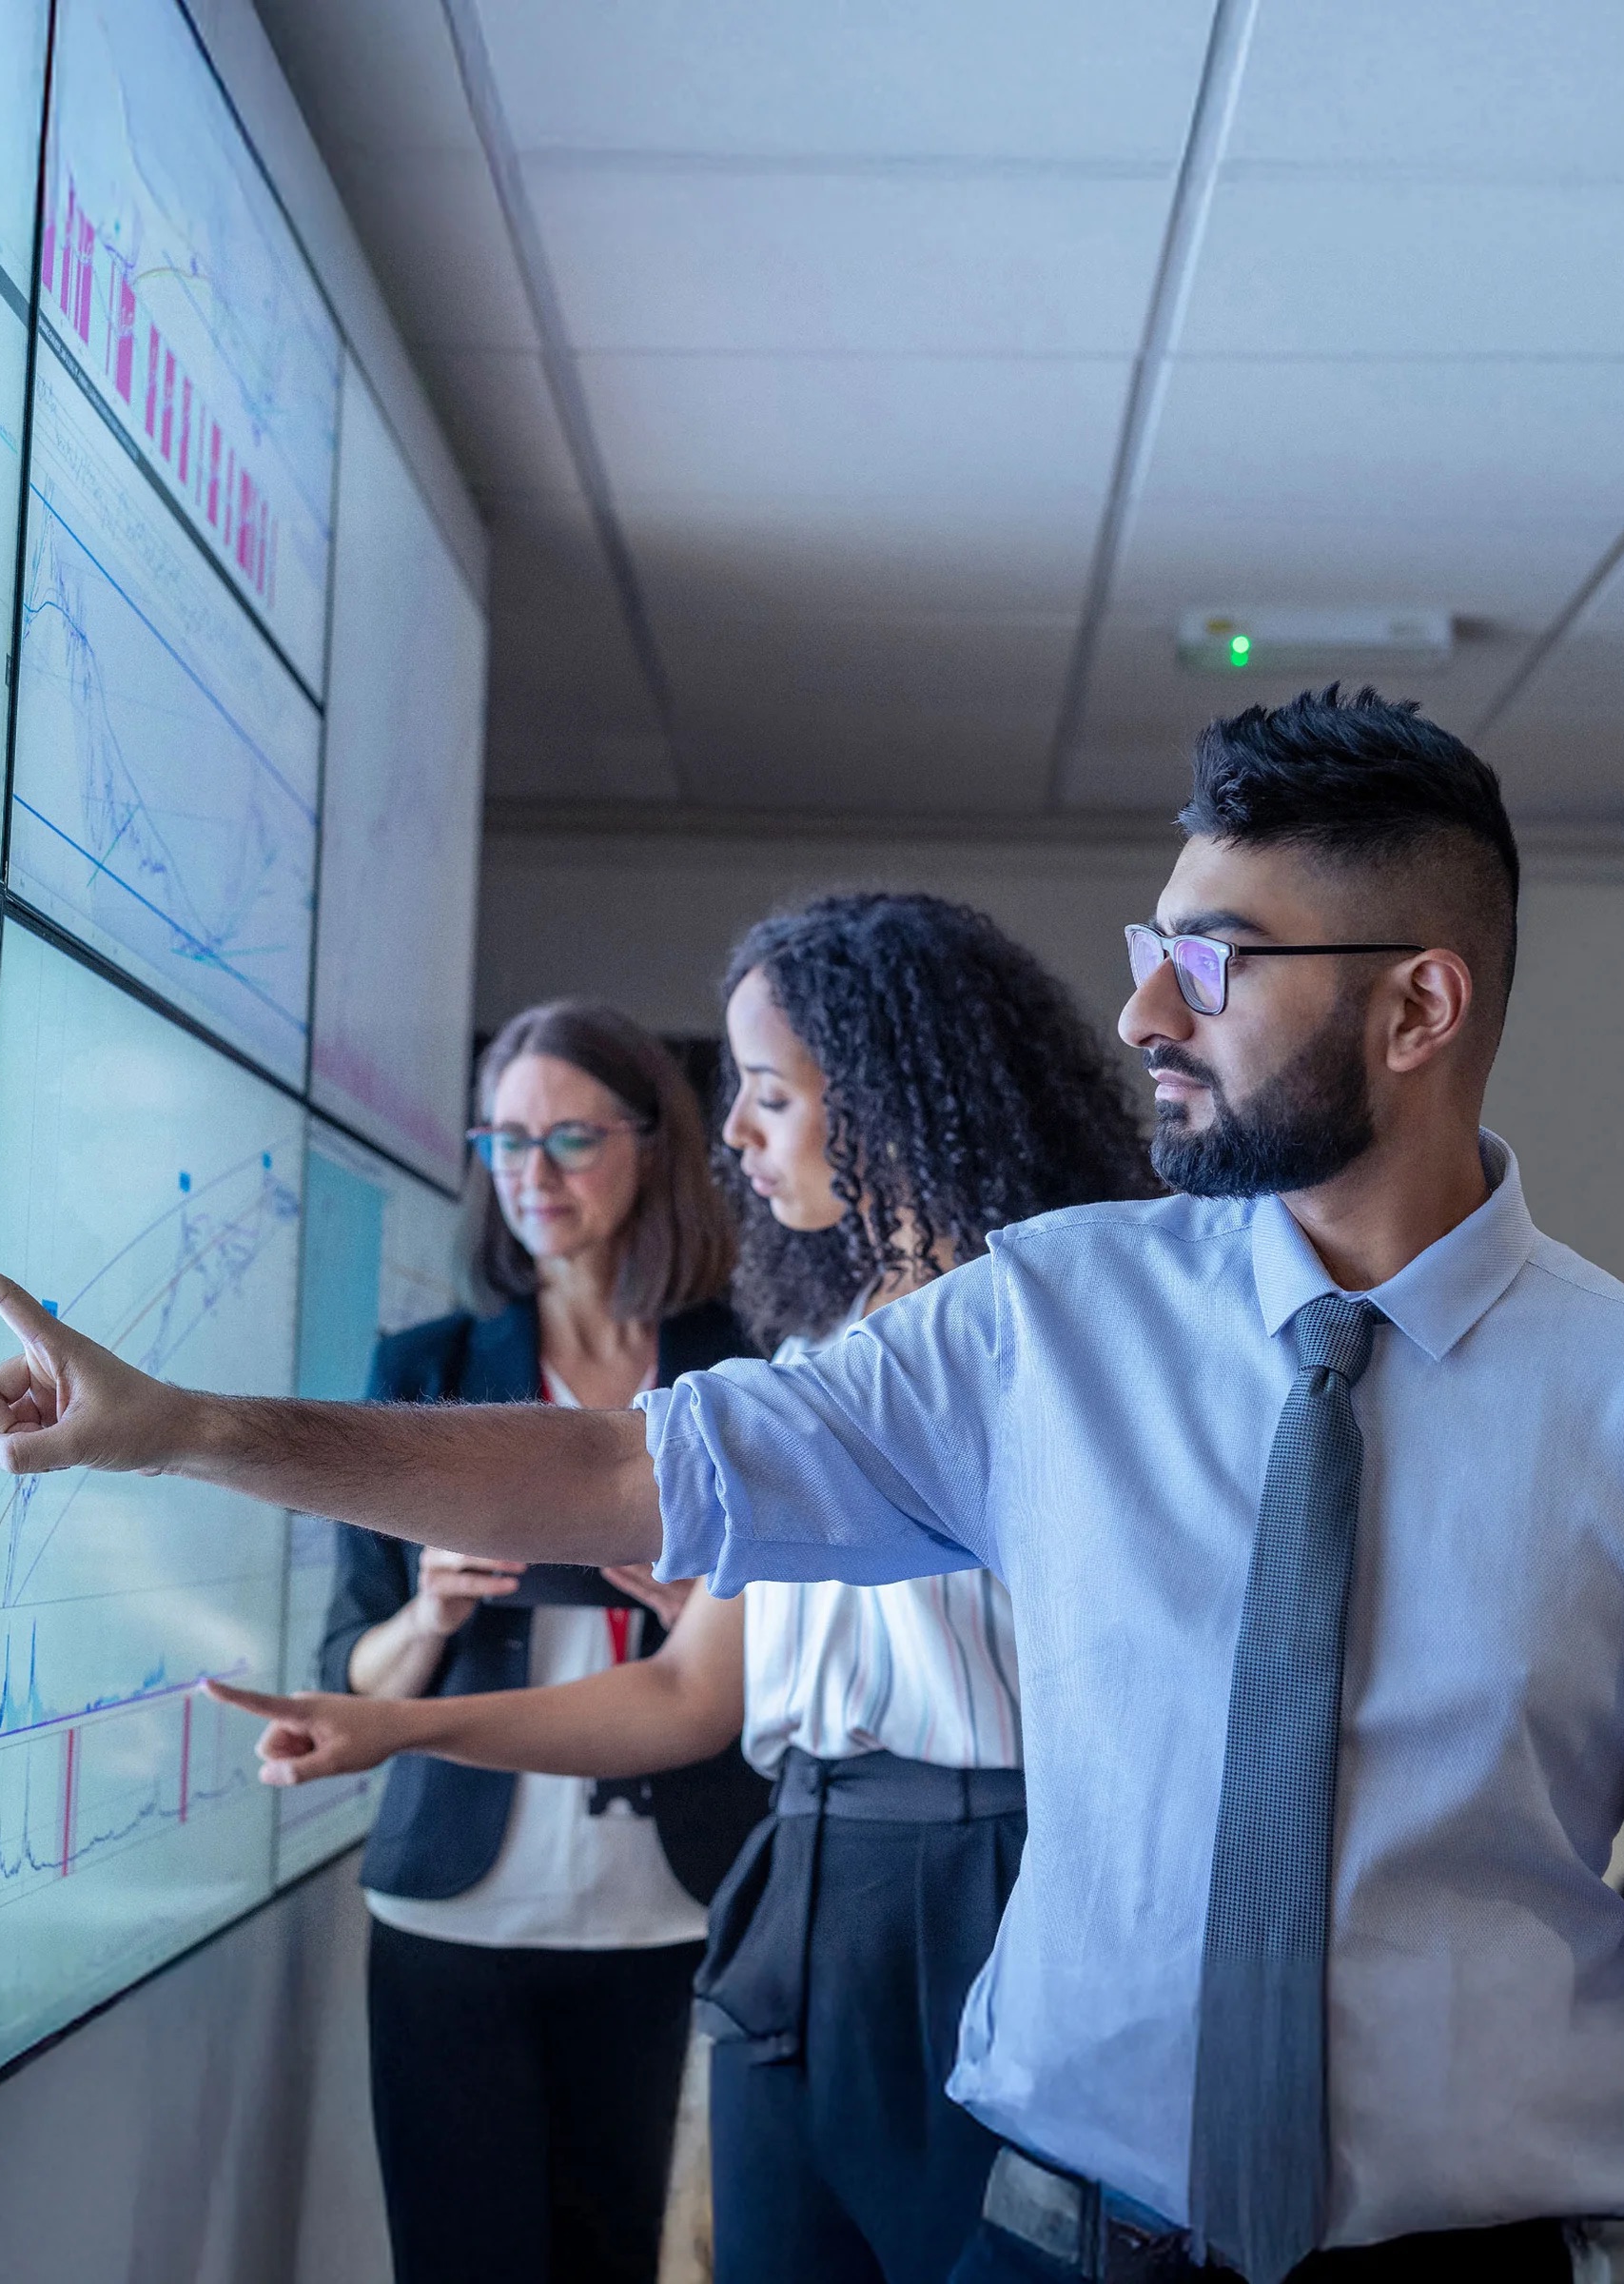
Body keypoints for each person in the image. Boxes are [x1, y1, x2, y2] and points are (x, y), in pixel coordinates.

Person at [0, 688, 1624, 2284]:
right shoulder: (1053, 1320)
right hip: (1048, 2237)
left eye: (1208, 965)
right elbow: (636, 1467)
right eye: (1146, 958)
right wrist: (185, 1427)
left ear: (1418, 1008)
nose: (1144, 1018)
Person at [216, 894, 1155, 2284]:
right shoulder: (814, 1360)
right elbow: (683, 1690)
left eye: (769, 1094)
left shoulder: (1059, 1339)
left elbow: (622, 1520)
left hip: (982, 1879)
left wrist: (194, 1431)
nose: (738, 1135)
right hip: (799, 1886)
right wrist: (395, 1723)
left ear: (890, 1100)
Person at [322, 998, 771, 2284]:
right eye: (505, 1142)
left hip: (674, 1907)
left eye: (569, 1137)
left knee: (628, 2256)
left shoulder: (745, 1367)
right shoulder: (430, 1368)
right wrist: (433, 1607)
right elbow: (350, 1665)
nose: (532, 1174)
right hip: (454, 1911)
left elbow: (812, 1661)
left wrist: (704, 1616)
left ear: (652, 1145)